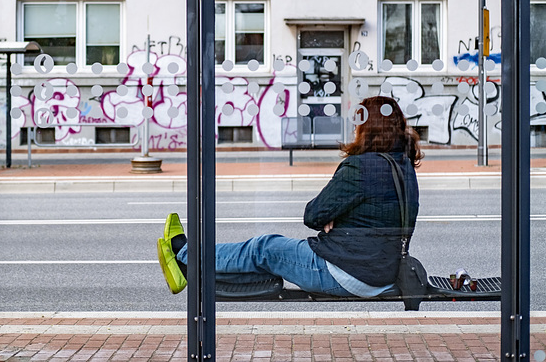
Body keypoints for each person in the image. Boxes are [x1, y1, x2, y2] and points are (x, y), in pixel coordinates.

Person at [157, 95, 423, 296]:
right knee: (268, 258)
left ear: (366, 129)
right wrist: (339, 217)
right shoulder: (403, 165)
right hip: (383, 271)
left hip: (348, 271)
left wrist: (332, 218)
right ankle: (196, 271)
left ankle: (185, 257)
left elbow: (313, 214)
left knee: (265, 248)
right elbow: (375, 212)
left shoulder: (361, 167)